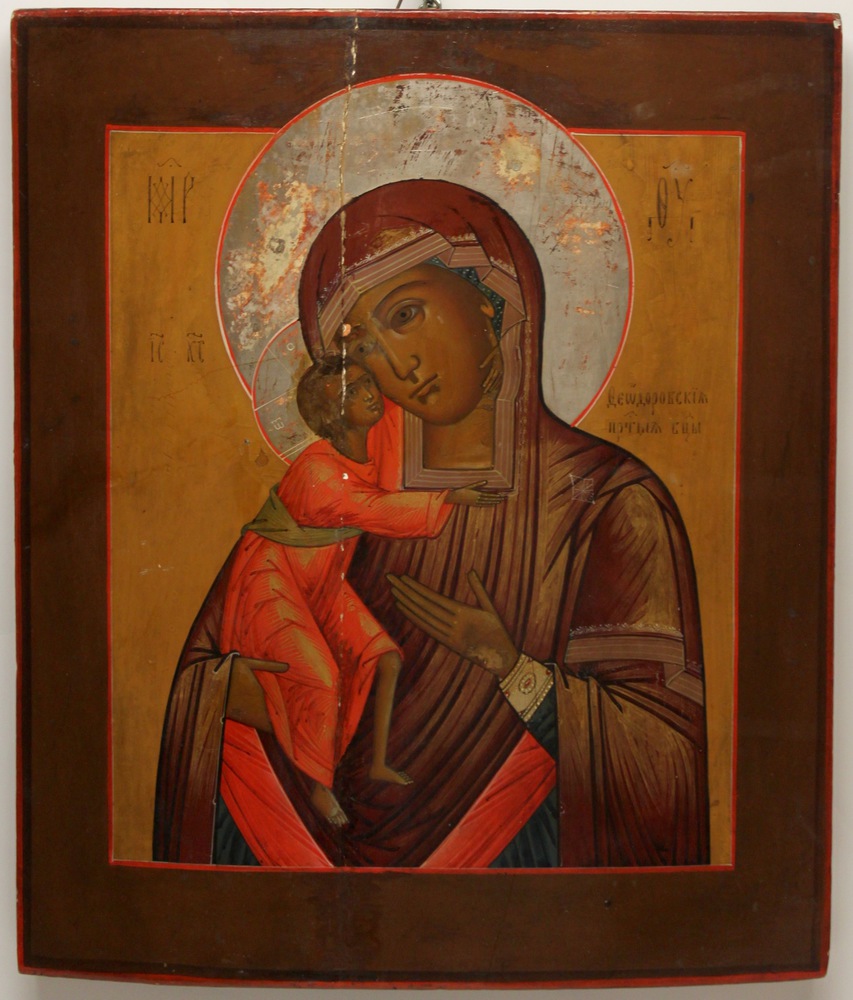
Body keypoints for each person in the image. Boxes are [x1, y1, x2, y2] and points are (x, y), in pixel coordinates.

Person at [154, 179, 709, 869]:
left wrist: (513, 671)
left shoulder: (607, 501)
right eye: (362, 350)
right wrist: (269, 696)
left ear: (490, 293)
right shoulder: (334, 496)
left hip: (517, 870)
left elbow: (661, 758)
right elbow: (207, 685)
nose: (397, 364)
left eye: (406, 313)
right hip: (308, 863)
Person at [217, 354, 504, 831]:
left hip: (321, 580)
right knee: (321, 677)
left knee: (384, 657)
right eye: (353, 393)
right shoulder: (316, 471)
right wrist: (449, 497)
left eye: (368, 382)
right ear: (332, 417)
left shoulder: (367, 449)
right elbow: (370, 509)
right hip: (271, 583)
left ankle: (377, 763)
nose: (371, 394)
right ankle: (318, 785)